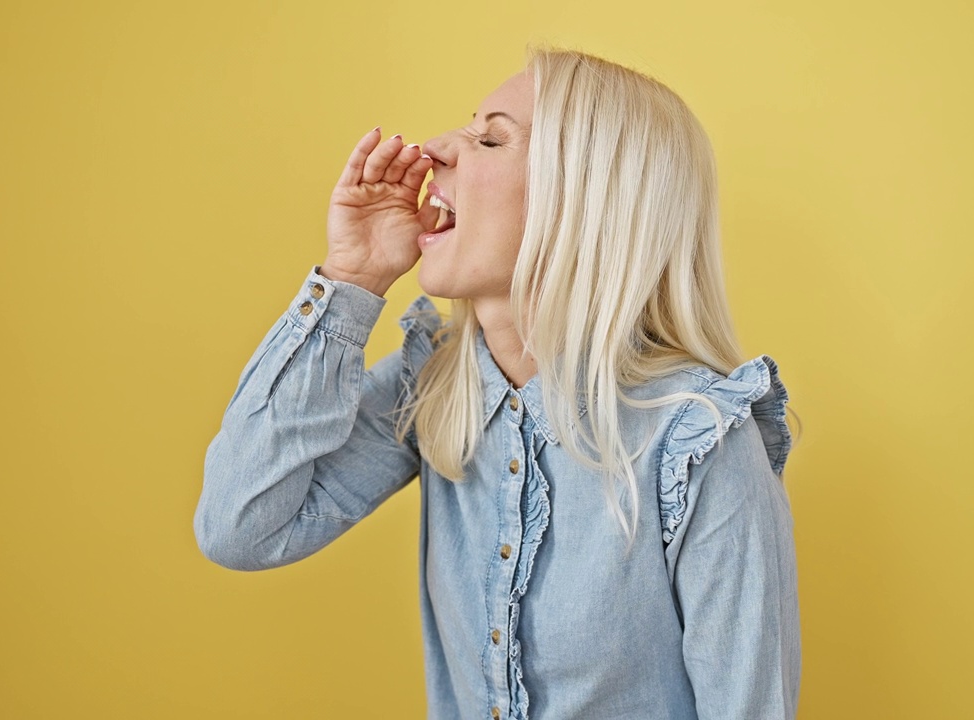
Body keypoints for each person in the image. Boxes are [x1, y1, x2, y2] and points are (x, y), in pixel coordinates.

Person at [194, 45, 802, 720]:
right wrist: (352, 279)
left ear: (585, 202)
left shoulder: (700, 442)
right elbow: (240, 527)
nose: (434, 151)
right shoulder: (433, 387)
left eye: (491, 137)